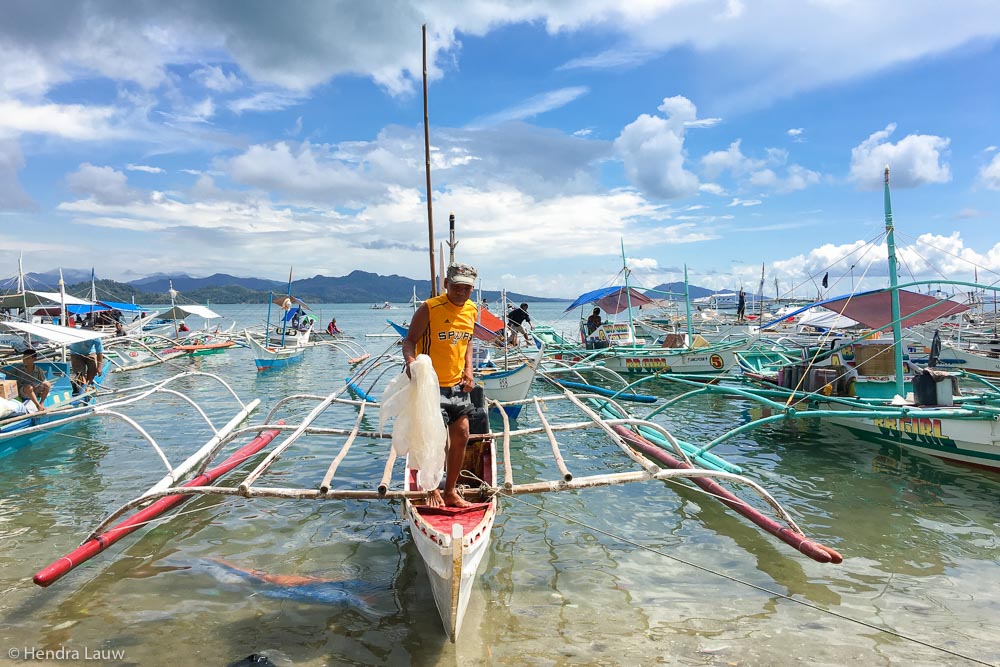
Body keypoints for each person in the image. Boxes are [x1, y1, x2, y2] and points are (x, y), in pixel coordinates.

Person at [402, 262, 479, 508]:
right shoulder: (429, 308)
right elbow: (409, 341)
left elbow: (467, 342)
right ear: (446, 284)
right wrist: (411, 363)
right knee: (433, 439)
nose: (461, 292)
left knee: (462, 434)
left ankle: (450, 491)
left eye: (467, 288)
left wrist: (469, 369)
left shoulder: (471, 310)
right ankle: (430, 487)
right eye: (456, 287)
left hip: (457, 385)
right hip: (430, 387)